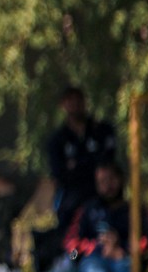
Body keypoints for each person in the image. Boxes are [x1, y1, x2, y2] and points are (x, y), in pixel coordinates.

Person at [45, 86, 117, 231]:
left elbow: (107, 161)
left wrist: (78, 165)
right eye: (70, 101)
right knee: (70, 234)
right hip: (72, 197)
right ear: (63, 105)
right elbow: (59, 173)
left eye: (78, 100)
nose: (75, 105)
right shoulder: (58, 140)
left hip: (101, 193)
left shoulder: (102, 130)